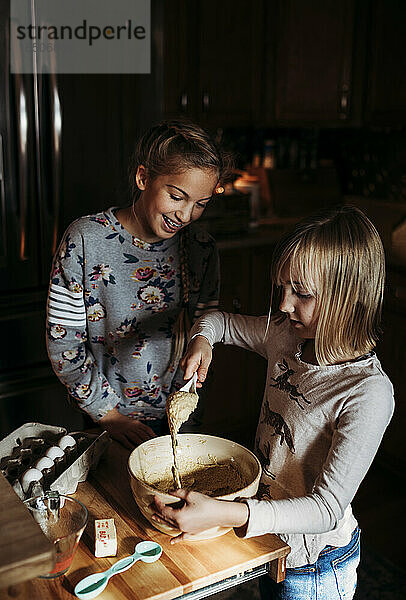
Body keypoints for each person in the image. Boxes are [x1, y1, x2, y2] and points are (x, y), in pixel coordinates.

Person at [152, 205, 395, 600]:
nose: (283, 304)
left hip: (317, 566)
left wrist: (224, 513)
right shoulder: (287, 338)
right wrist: (203, 341)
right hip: (269, 541)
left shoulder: (367, 393)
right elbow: (220, 322)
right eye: (282, 288)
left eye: (301, 293)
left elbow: (326, 509)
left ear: (349, 298)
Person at [46, 120, 232, 448]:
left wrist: (202, 351)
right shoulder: (86, 241)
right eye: (177, 196)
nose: (187, 215)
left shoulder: (201, 249)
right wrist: (108, 415)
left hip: (178, 414)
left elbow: (206, 327)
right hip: (104, 415)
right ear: (143, 178)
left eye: (201, 204)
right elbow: (64, 343)